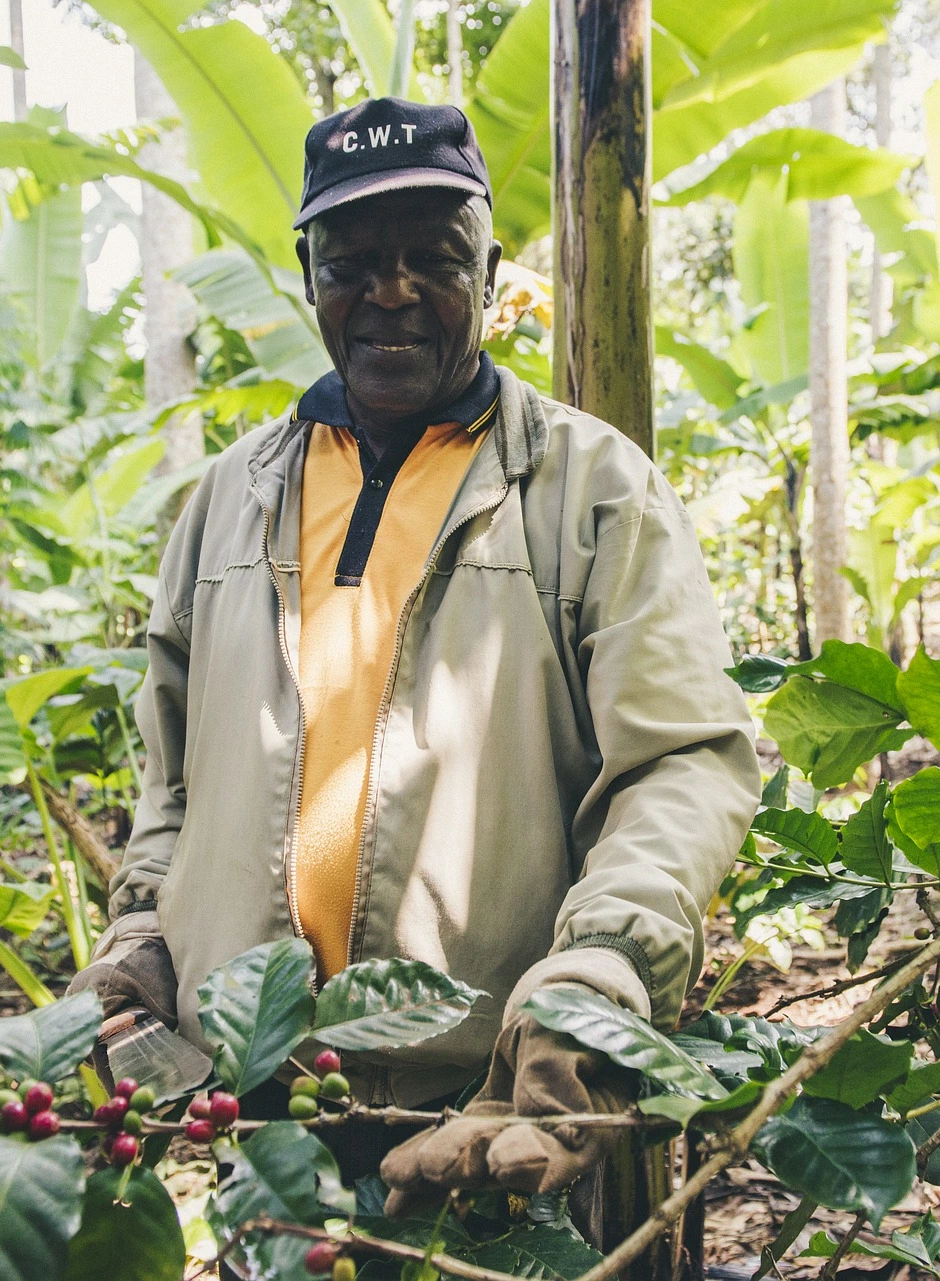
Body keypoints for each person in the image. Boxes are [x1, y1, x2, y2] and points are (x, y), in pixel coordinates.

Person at [67, 96, 759, 1210]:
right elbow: (175, 777)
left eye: (431, 260)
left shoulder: (589, 487)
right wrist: (144, 931)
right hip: (272, 1102)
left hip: (499, 1102)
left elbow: (681, 761)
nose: (390, 293)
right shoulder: (226, 502)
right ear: (307, 274)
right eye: (354, 262)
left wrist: (598, 982)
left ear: (488, 270)